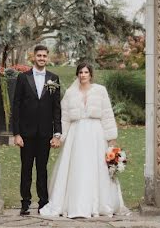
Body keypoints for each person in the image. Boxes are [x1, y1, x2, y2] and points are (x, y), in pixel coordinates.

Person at [39, 62, 128, 218]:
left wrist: (111, 138)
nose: (83, 75)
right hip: (77, 134)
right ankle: (75, 204)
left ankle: (100, 204)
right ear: (77, 75)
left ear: (90, 75)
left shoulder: (100, 91)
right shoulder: (70, 93)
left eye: (86, 72)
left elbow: (107, 114)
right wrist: (59, 136)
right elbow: (64, 118)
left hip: (96, 133)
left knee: (96, 167)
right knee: (77, 166)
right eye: (80, 72)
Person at [10, 44, 62, 216]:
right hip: (26, 133)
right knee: (26, 168)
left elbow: (56, 108)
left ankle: (43, 203)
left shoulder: (53, 79)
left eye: (44, 56)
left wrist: (57, 133)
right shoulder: (23, 78)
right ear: (33, 57)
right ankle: (25, 203)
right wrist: (16, 133)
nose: (41, 58)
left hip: (45, 133)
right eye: (38, 55)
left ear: (48, 58)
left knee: (42, 169)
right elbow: (15, 106)